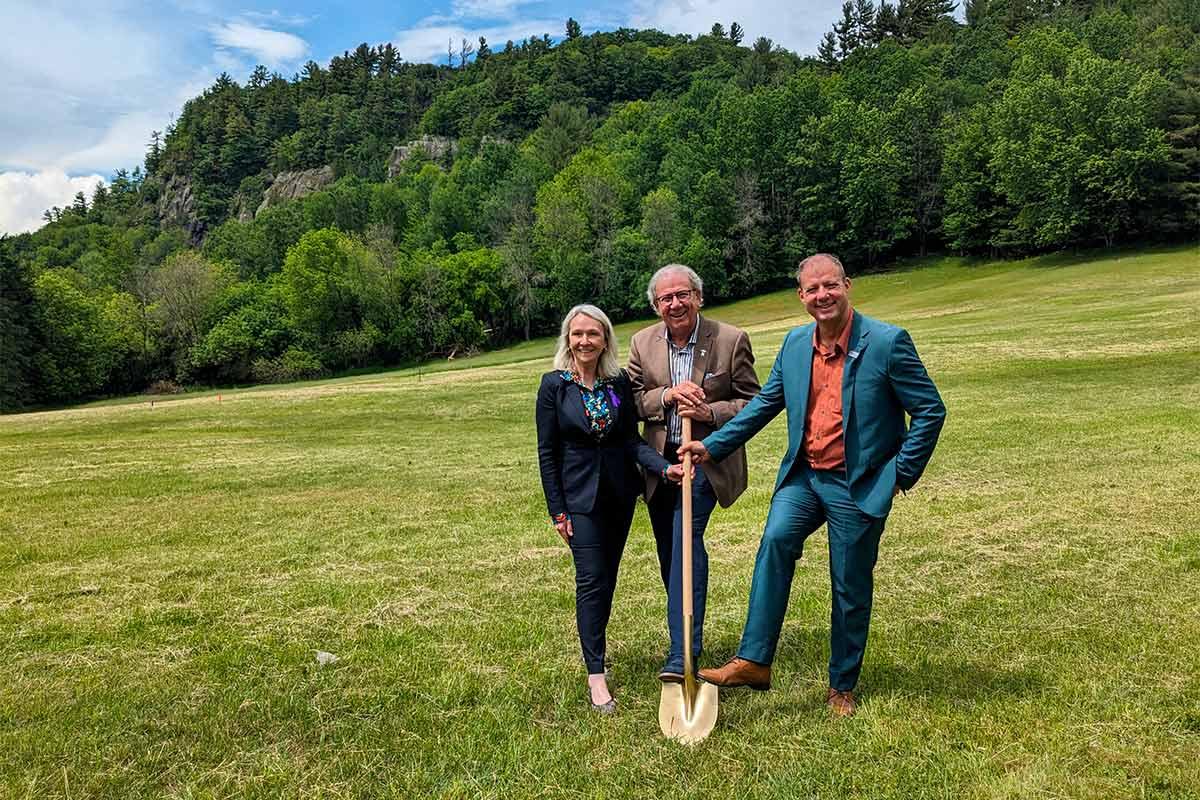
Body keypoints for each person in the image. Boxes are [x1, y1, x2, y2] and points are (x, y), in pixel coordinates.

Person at [681, 253, 946, 717]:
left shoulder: (887, 342)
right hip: (804, 477)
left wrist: (899, 474)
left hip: (857, 485)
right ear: (801, 296)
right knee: (775, 541)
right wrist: (714, 446)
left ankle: (841, 684)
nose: (822, 296)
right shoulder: (796, 344)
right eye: (812, 289)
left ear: (847, 285)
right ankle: (754, 660)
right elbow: (765, 403)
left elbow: (929, 411)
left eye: (830, 285)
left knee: (849, 583)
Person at [535, 304, 685, 714]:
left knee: (609, 579)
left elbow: (631, 441)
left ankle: (596, 651)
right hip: (579, 502)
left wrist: (664, 467)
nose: (585, 341)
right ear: (568, 338)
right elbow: (547, 453)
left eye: (593, 334)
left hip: (619, 497)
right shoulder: (554, 386)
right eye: (577, 333)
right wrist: (558, 511)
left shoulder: (617, 382)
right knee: (592, 581)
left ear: (605, 340)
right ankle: (596, 675)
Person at [627, 264, 761, 684]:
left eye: (682, 294)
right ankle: (684, 623)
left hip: (706, 459)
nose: (675, 303)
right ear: (656, 305)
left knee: (686, 540)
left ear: (698, 297)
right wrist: (666, 395)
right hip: (659, 463)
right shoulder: (641, 343)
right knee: (670, 552)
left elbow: (755, 401)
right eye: (665, 298)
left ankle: (681, 653)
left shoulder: (729, 339)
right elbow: (628, 400)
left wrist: (710, 412)